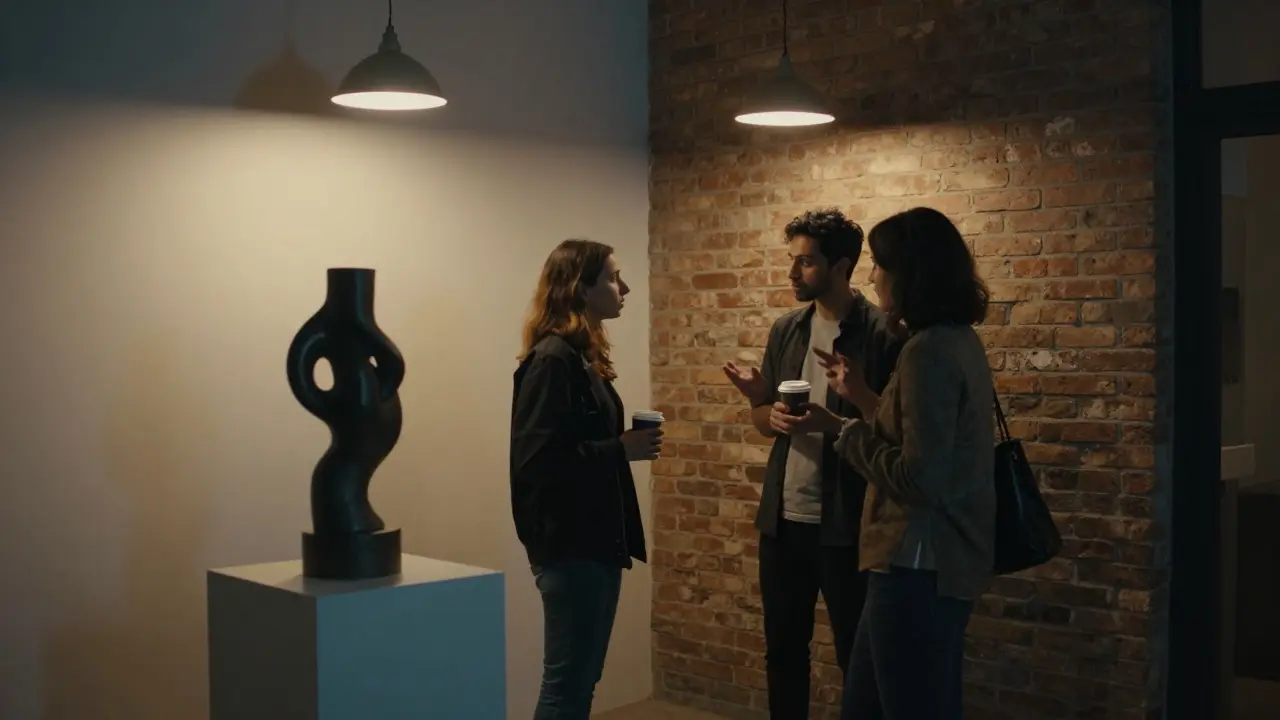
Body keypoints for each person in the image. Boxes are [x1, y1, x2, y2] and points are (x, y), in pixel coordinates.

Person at [721, 208, 903, 718]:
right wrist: (765, 408)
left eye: (805, 263)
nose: (792, 274)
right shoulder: (788, 329)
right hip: (783, 520)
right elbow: (764, 421)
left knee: (858, 657)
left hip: (847, 521)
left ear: (842, 266)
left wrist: (835, 419)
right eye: (791, 261)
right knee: (782, 650)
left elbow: (895, 434)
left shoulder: (882, 333)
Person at [816, 207, 996, 720]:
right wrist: (861, 396)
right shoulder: (956, 340)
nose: (871, 276)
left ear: (908, 272)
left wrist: (844, 433)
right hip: (923, 562)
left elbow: (920, 477)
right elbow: (919, 438)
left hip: (918, 563)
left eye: (878, 263)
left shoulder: (928, 353)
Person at [510, 239, 663, 720]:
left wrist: (618, 448)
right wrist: (620, 448)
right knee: (567, 685)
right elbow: (538, 462)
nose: (626, 287)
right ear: (581, 287)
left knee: (578, 681)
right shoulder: (553, 359)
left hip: (591, 541)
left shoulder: (579, 356)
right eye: (614, 277)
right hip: (570, 544)